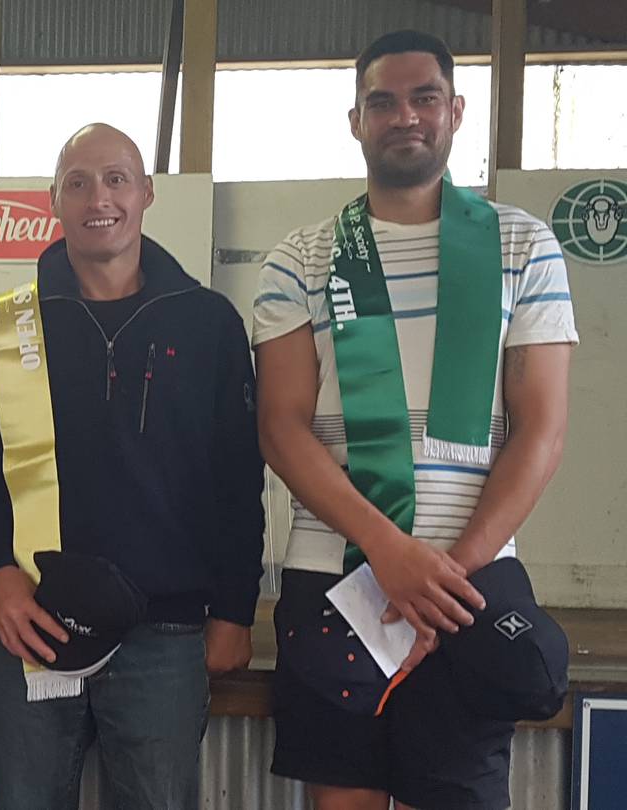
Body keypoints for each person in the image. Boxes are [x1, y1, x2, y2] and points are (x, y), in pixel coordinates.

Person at [253, 30, 577, 810]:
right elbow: (283, 428)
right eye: (383, 102)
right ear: (356, 120)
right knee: (345, 802)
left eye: (424, 97)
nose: (405, 116)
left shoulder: (521, 245)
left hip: (473, 582)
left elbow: (541, 431)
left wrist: (446, 576)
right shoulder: (300, 257)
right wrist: (388, 551)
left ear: (455, 110)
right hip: (337, 574)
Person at [0, 123, 265, 810]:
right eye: (78, 182)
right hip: (31, 618)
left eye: (117, 178)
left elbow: (240, 476)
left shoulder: (208, 322)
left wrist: (234, 610)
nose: (100, 197)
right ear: (54, 201)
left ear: (146, 192)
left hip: (167, 632)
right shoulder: (4, 327)